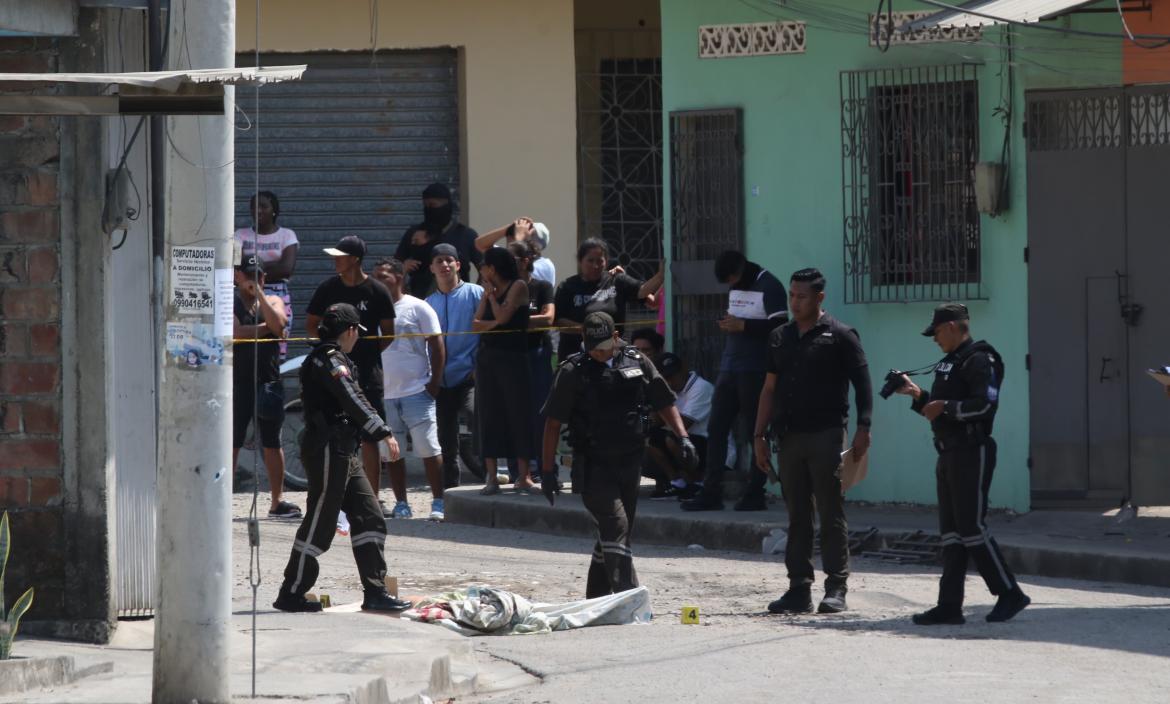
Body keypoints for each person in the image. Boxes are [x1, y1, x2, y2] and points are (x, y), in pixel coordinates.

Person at [540, 312, 694, 598]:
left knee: (616, 534)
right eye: (592, 347)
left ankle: (596, 599)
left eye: (603, 346)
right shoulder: (573, 371)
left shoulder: (636, 360)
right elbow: (552, 423)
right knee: (616, 525)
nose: (598, 353)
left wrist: (683, 436)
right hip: (593, 464)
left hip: (630, 461)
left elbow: (663, 400)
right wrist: (547, 472)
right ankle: (630, 597)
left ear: (615, 337)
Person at [895, 303, 1030, 625]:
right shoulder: (949, 364)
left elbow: (985, 405)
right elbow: (938, 409)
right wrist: (917, 396)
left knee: (971, 527)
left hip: (972, 449)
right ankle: (949, 605)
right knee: (952, 533)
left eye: (937, 332)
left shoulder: (982, 359)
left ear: (954, 327)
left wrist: (947, 407)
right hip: (948, 451)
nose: (934, 339)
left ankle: (1010, 592)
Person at [273, 303, 409, 613]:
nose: (357, 338)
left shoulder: (334, 358)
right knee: (321, 522)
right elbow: (352, 398)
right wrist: (383, 432)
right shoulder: (330, 360)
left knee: (369, 514)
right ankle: (291, 591)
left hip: (345, 450)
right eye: (357, 333)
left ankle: (375, 590)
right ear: (350, 331)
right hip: (327, 448)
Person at [753, 268, 872, 615]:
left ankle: (836, 588)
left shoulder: (840, 335)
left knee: (831, 511)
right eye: (791, 295)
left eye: (801, 296)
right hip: (789, 436)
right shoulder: (779, 337)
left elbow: (863, 385)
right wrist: (758, 436)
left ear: (819, 298)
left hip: (827, 434)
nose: (794, 302)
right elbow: (769, 389)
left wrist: (865, 427)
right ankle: (798, 589)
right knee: (797, 514)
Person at [682, 250, 788, 512]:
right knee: (716, 429)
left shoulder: (770, 285)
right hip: (730, 368)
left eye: (732, 278)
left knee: (756, 432)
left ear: (742, 269)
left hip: (756, 371)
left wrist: (745, 327)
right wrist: (731, 325)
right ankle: (711, 492)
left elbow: (782, 329)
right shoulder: (736, 287)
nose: (731, 283)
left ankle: (755, 493)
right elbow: (739, 321)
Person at [305, 235, 396, 516]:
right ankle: (333, 495)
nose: (335, 261)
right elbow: (311, 324)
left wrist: (363, 353)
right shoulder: (327, 288)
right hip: (333, 373)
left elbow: (388, 332)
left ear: (354, 260)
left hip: (367, 372)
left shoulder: (377, 291)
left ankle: (372, 497)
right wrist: (330, 351)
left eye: (340, 256)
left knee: (370, 435)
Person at [372, 258, 448, 522]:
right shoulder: (372, 311)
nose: (378, 281)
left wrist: (433, 384)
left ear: (399, 278)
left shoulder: (418, 307)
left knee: (428, 448)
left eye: (384, 277)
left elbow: (437, 345)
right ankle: (401, 503)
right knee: (392, 453)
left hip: (417, 391)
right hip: (386, 394)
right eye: (375, 277)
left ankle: (438, 502)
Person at [231, 254, 300, 518]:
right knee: (233, 441)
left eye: (258, 276)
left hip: (268, 381)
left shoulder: (272, 299)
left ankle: (277, 501)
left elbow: (280, 323)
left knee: (272, 441)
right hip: (238, 381)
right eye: (249, 276)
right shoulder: (232, 303)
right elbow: (235, 332)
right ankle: (222, 499)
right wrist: (268, 329)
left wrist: (259, 294)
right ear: (238, 277)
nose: (253, 281)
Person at [473, 247, 534, 494]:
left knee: (517, 413)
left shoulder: (517, 286)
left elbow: (505, 319)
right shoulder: (488, 292)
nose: (481, 270)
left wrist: (494, 302)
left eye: (484, 266)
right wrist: (493, 312)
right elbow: (476, 325)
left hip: (513, 359)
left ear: (493, 268)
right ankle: (491, 476)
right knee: (489, 415)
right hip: (489, 359)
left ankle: (523, 475)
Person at [425, 244, 486, 488]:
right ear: (431, 268)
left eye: (449, 260)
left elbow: (486, 332)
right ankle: (449, 492)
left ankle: (489, 473)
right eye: (439, 261)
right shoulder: (428, 303)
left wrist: (477, 367)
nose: (445, 265)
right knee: (446, 441)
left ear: (458, 265)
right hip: (440, 381)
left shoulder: (475, 293)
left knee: (475, 417)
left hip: (469, 377)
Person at [553, 238, 663, 362]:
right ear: (580, 261)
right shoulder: (567, 286)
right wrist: (589, 330)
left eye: (600, 261)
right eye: (590, 260)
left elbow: (642, 291)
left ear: (606, 261)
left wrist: (661, 275)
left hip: (612, 356)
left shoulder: (616, 280)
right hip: (576, 355)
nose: (595, 265)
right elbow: (558, 321)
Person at [509, 240, 556, 479]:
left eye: (512, 259)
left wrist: (513, 321)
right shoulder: (502, 288)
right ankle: (518, 470)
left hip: (537, 355)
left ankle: (545, 467)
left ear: (525, 261)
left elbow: (548, 318)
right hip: (510, 356)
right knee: (514, 413)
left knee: (541, 413)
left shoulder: (542, 287)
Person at [234, 190, 298, 358]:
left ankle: (271, 380)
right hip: (245, 295)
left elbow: (286, 268)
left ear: (274, 210)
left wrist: (253, 266)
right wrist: (271, 266)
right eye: (254, 207)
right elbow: (234, 266)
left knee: (276, 346)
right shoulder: (240, 235)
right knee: (244, 340)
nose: (258, 210)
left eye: (263, 206)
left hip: (278, 293)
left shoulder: (287, 235)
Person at [395, 182, 481, 299]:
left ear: (447, 205)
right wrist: (403, 267)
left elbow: (484, 269)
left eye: (433, 205)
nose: (429, 209)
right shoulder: (414, 234)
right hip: (421, 301)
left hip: (458, 302)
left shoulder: (465, 235)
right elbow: (394, 267)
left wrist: (478, 298)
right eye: (426, 205)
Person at [646, 353, 712, 501]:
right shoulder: (668, 391)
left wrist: (663, 406)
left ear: (684, 370)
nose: (670, 382)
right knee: (647, 435)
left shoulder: (701, 388)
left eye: (672, 376)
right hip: (686, 443)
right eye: (665, 378)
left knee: (674, 438)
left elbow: (682, 426)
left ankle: (698, 483)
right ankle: (677, 483)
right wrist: (656, 400)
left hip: (710, 446)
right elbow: (652, 423)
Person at [475, 217, 556, 284]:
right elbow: (479, 244)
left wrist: (519, 239)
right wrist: (508, 229)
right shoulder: (504, 255)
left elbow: (516, 269)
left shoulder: (546, 265)